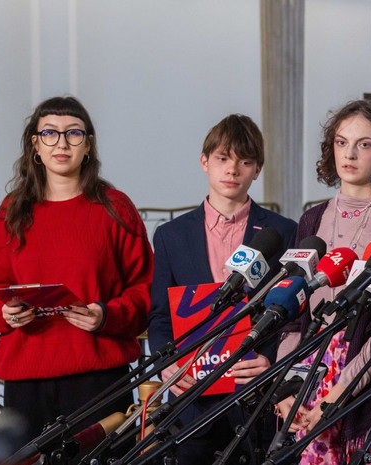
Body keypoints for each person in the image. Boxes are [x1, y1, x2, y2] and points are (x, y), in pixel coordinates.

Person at [0, 96, 153, 445]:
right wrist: (5, 313)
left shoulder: (115, 208)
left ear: (88, 145)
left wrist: (106, 315)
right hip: (27, 380)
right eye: (50, 133)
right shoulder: (13, 210)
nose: (62, 143)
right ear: (35, 145)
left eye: (73, 133)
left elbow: (145, 289)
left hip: (99, 375)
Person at [147, 113, 297, 465]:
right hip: (192, 397)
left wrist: (270, 361)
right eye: (223, 158)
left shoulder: (282, 231)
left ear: (257, 170)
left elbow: (292, 312)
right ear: (204, 162)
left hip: (255, 393)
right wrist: (167, 365)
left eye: (245, 161)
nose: (232, 170)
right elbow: (160, 316)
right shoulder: (171, 235)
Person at [275, 99, 371, 465]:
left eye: (363, 144)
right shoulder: (311, 220)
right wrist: (285, 386)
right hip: (307, 379)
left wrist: (337, 393)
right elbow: (293, 313)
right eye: (341, 142)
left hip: (364, 387)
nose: (350, 154)